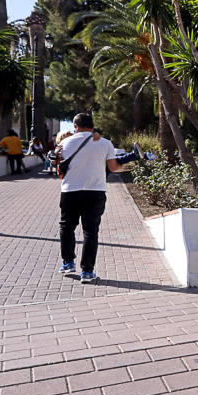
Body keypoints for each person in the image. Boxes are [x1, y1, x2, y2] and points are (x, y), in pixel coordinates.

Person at [56, 113, 127, 284]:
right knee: (90, 231)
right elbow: (113, 168)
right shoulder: (105, 143)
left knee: (67, 227)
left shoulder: (64, 143)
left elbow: (57, 168)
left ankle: (68, 263)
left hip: (70, 191)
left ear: (76, 126)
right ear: (92, 126)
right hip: (95, 192)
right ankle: (87, 271)